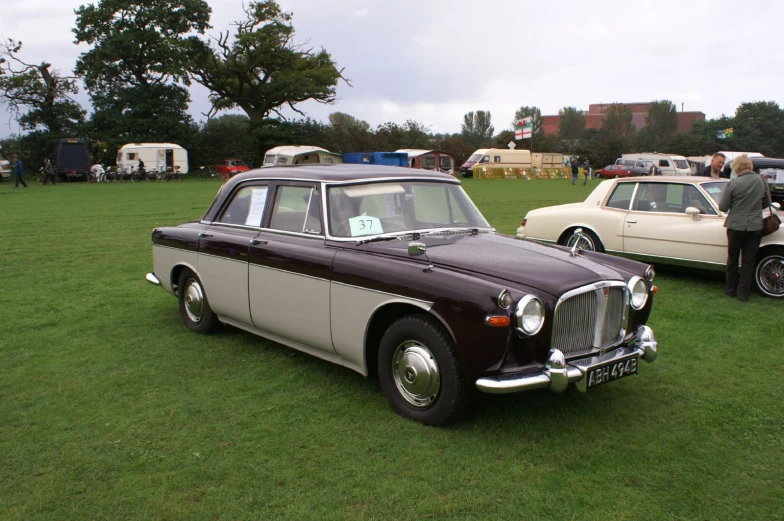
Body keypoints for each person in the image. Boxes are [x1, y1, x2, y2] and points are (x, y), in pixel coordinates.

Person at [718, 155, 769, 302]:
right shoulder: (762, 181)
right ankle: (743, 293)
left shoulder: (734, 183)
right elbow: (766, 203)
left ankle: (730, 289)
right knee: (748, 261)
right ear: (750, 166)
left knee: (733, 259)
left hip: (736, 225)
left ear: (737, 168)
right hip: (755, 226)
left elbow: (723, 206)